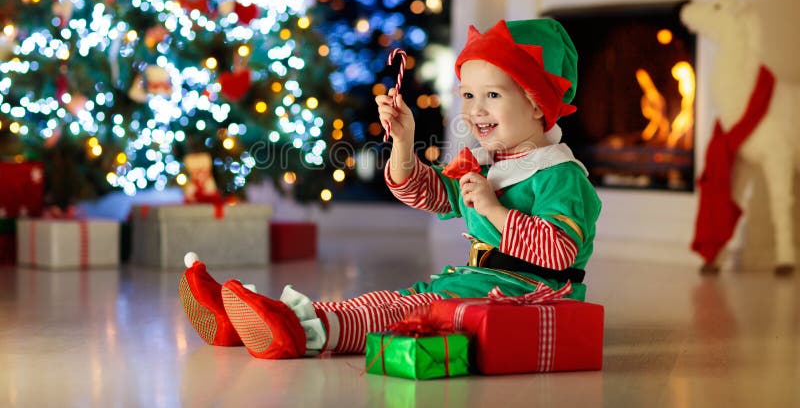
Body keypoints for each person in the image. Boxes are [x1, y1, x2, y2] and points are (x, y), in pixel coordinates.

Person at [178, 19, 602, 359]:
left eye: (492, 94)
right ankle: (253, 322)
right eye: (468, 94)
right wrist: (403, 141)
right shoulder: (495, 166)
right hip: (478, 285)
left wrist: (493, 211)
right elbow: (428, 193)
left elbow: (558, 251)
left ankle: (301, 331)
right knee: (392, 300)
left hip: (526, 296)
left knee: (405, 312)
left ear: (536, 102)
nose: (475, 110)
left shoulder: (559, 175)